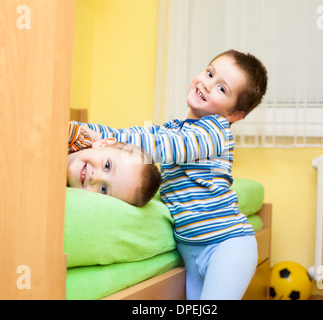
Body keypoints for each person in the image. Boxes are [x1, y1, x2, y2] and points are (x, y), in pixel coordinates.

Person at [76, 49, 268, 299]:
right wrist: (87, 131)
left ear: (233, 115)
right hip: (191, 250)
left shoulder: (214, 132)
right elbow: (136, 136)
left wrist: (104, 137)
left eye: (222, 89)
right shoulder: (173, 129)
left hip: (227, 245)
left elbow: (161, 145)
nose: (208, 85)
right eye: (209, 73)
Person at [67, 121, 162, 207]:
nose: (96, 177)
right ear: (103, 144)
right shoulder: (72, 135)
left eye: (103, 189)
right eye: (107, 166)